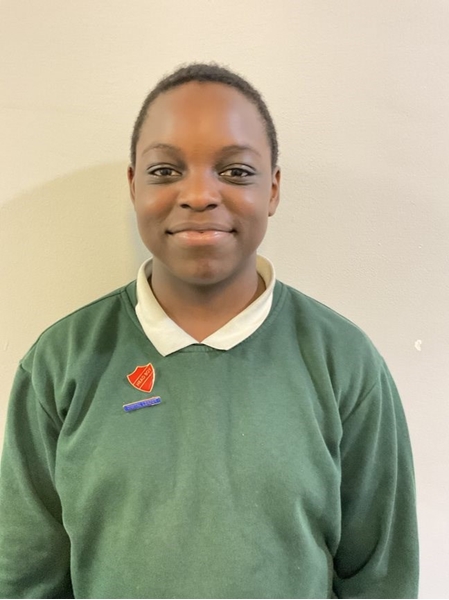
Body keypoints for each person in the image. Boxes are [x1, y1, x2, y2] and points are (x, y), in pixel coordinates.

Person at [0, 63, 418, 599]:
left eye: (236, 171)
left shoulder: (344, 363)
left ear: (273, 189)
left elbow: (383, 580)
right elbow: (26, 578)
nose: (199, 194)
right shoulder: (61, 362)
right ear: (133, 186)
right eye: (165, 170)